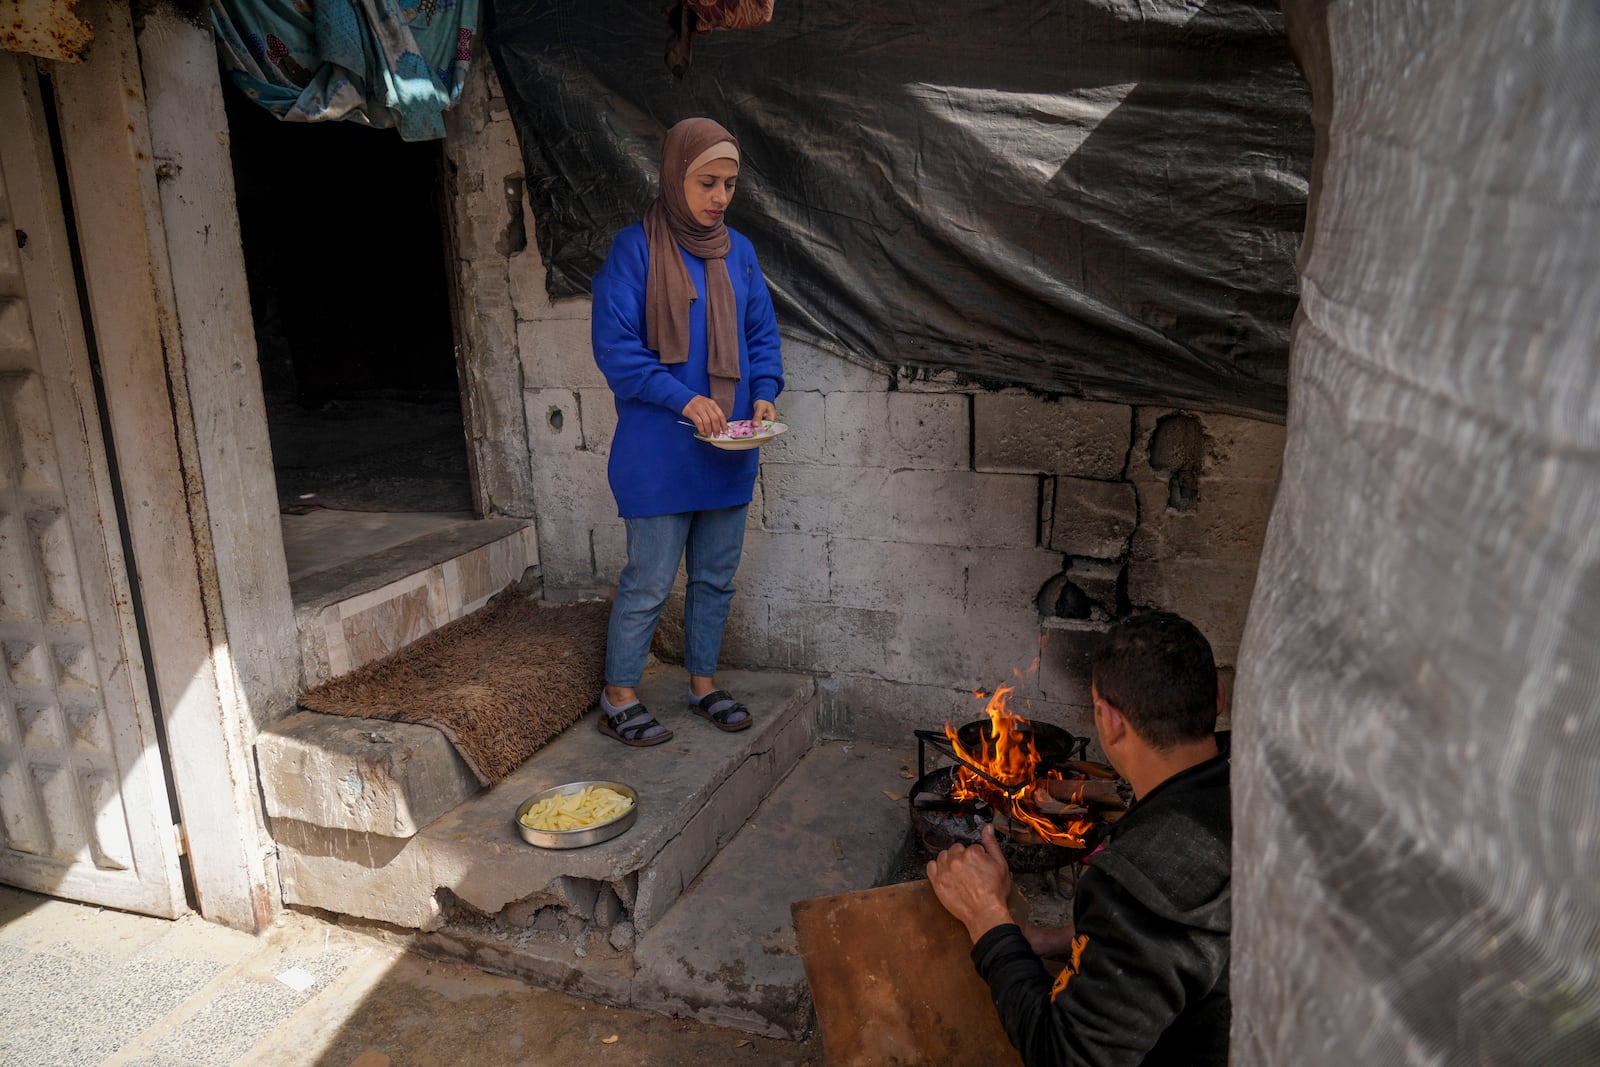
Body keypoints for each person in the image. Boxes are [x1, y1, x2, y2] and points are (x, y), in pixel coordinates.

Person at [926, 612, 1231, 1066]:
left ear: (1109, 721)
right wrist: (1055, 940)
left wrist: (987, 917)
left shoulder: (1136, 877)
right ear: (1219, 699)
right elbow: (1172, 943)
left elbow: (1065, 1055)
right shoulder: (1260, 790)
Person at [588, 117, 784, 747]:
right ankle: (619, 695)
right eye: (707, 182)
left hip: (730, 449)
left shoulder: (740, 253)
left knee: (715, 578)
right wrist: (683, 397)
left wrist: (764, 394)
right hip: (659, 450)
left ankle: (702, 683)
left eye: (729, 184)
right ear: (674, 177)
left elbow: (761, 337)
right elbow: (616, 349)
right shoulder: (635, 250)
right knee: (648, 580)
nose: (720, 196)